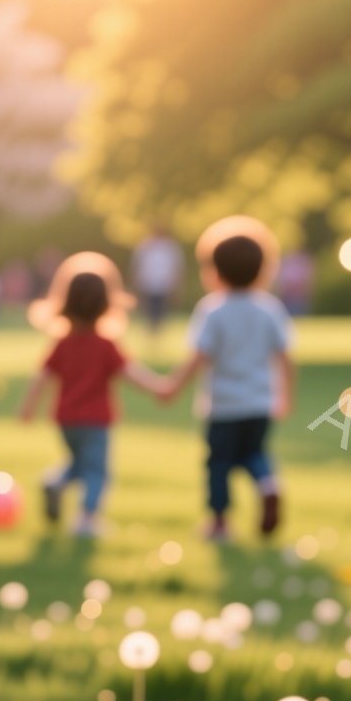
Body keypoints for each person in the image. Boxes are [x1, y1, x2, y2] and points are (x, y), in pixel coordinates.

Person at [161, 216, 293, 541]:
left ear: (214, 270)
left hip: (223, 406)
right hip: (260, 402)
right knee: (254, 454)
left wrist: (174, 387)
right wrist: (284, 396)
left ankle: (219, 524)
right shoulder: (270, 309)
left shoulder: (213, 310)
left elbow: (199, 356)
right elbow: (285, 358)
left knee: (218, 463)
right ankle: (268, 484)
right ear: (264, 269)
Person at [20, 252, 169, 536]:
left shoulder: (62, 343)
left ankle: (55, 482)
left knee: (78, 464)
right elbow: (131, 373)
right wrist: (159, 388)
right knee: (97, 471)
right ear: (106, 305)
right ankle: (87, 518)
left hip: (66, 419)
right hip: (96, 420)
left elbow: (42, 376)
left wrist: (29, 407)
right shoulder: (105, 345)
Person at [130, 227, 183, 331]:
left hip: (163, 282)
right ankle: (150, 328)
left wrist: (175, 282)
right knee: (149, 307)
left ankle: (158, 328)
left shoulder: (170, 247)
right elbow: (138, 264)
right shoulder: (145, 246)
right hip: (148, 282)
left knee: (160, 308)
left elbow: (176, 266)